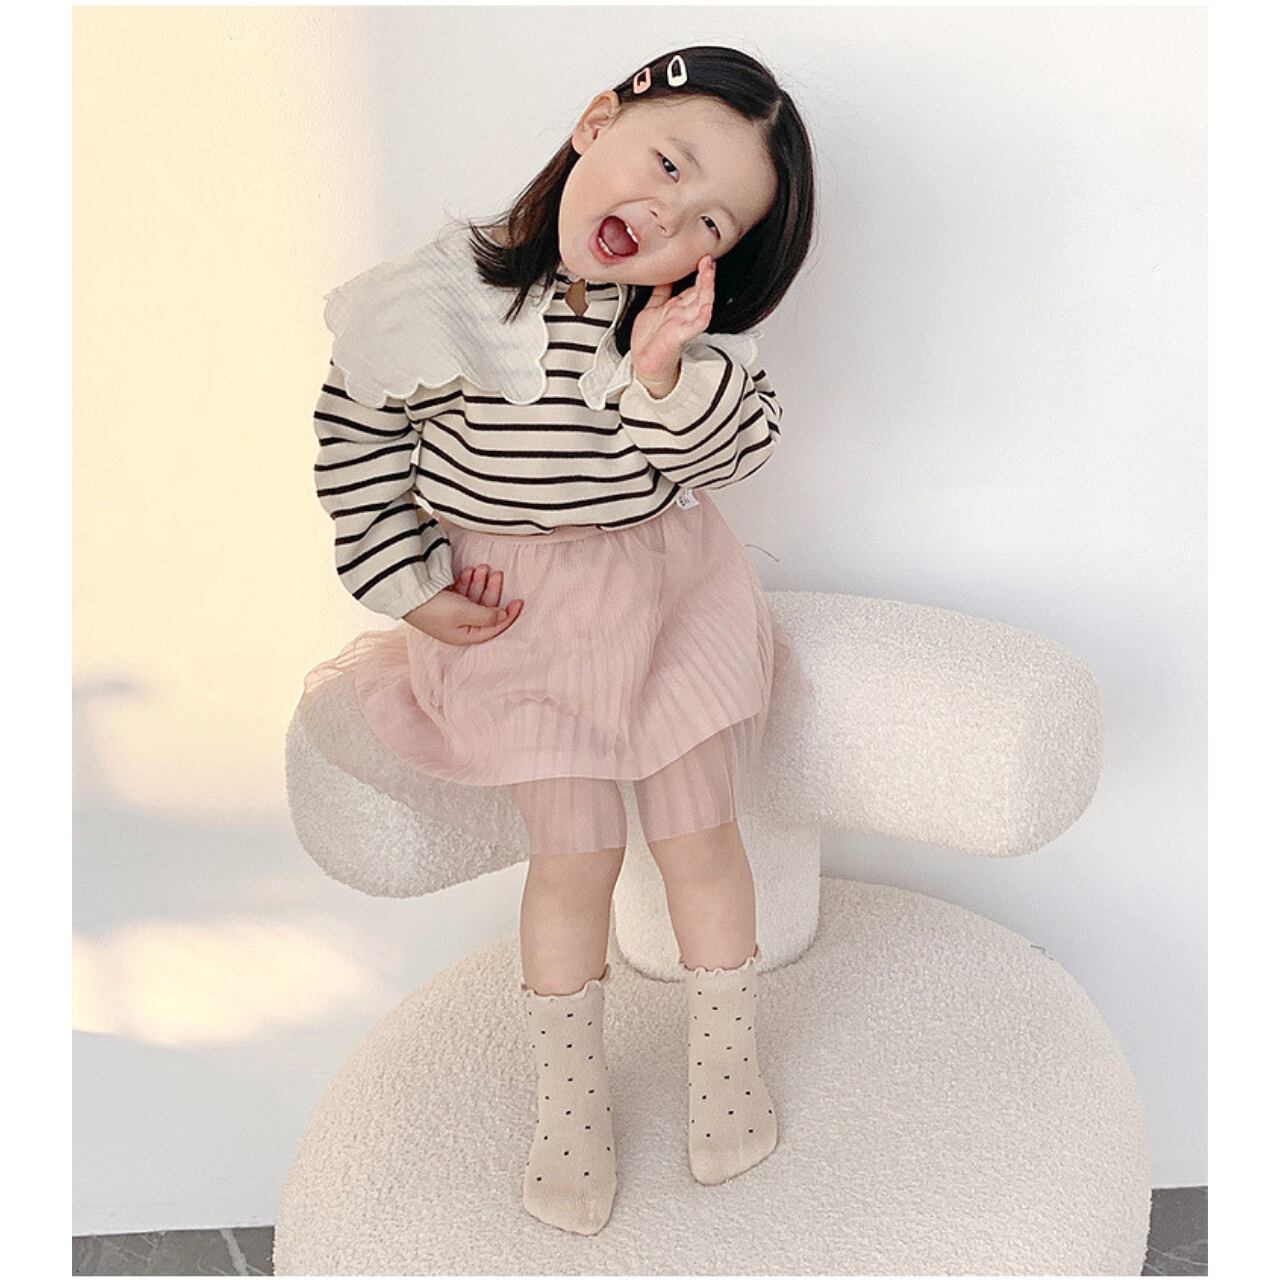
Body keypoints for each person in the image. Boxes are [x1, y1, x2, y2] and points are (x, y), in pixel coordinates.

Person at [306, 44, 816, 1235]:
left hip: (666, 594)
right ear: (595, 124)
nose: (667, 215)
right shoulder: (427, 300)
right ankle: (569, 1093)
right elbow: (356, 447)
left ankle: (723, 1056)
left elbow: (727, 456)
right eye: (667, 164)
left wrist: (661, 370)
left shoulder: (678, 336)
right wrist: (408, 583)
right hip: (523, 616)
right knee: (574, 852)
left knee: (697, 833)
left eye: (709, 221)